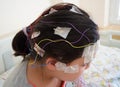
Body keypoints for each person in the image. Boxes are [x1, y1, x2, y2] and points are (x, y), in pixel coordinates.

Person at [3, 2, 99, 87]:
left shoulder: (68, 69)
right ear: (53, 64)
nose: (88, 66)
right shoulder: (15, 84)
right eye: (84, 64)